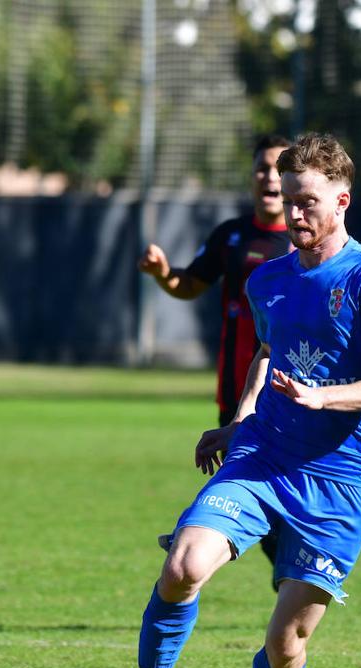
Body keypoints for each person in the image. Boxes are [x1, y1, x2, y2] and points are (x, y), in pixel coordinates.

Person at [97, 133, 361, 668]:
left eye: (307, 202)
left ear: (342, 200)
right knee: (184, 564)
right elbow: (268, 355)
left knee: (286, 644)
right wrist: (240, 421)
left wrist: (324, 397)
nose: (293, 214)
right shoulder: (267, 280)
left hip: (338, 482)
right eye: (289, 200)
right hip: (263, 458)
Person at [138, 134, 293, 579]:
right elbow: (190, 285)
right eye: (262, 168)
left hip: (287, 392)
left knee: (260, 486)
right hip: (236, 392)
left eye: (278, 169)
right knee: (253, 485)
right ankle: (286, 576)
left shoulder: (309, 244)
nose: (269, 176)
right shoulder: (232, 236)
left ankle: (198, 530)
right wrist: (164, 274)